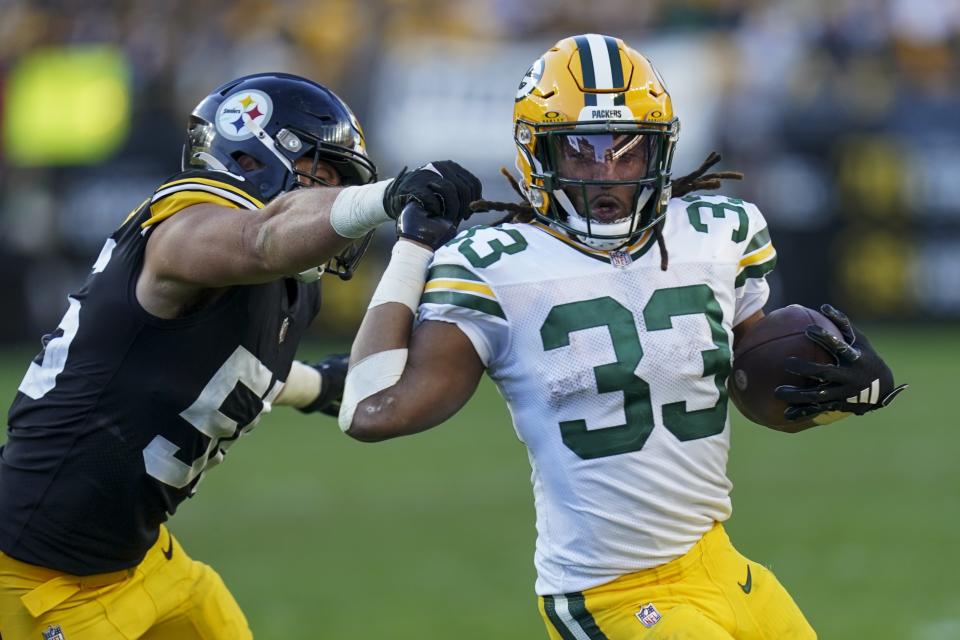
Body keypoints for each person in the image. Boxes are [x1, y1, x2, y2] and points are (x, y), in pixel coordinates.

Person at [335, 35, 906, 639]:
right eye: (582, 151)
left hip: (718, 561)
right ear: (536, 153)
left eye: (628, 150)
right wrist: (413, 246)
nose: (607, 173)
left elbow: (749, 385)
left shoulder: (718, 230)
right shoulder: (492, 264)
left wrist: (834, 388)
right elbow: (372, 411)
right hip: (613, 591)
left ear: (663, 148)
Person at [0, 72, 480, 639]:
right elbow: (260, 238)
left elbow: (217, 376)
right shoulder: (184, 224)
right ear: (252, 160)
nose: (334, 200)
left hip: (142, 561)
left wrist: (313, 387)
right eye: (321, 178)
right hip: (36, 577)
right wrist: (385, 196)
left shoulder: (289, 286)